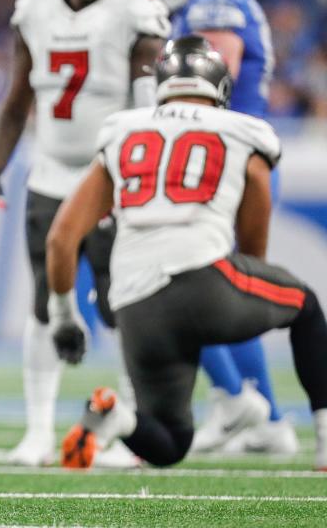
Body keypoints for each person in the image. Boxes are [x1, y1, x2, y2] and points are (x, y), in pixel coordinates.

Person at [49, 36, 327, 471]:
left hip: (135, 303)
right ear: (220, 87)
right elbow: (254, 236)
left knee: (170, 443)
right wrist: (245, 279)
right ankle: (326, 441)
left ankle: (116, 418)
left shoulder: (123, 129)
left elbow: (62, 237)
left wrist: (65, 316)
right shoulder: (244, 129)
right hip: (203, 277)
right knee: (307, 308)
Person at [0, 0, 169, 467]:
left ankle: (130, 430)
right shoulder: (33, 11)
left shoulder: (135, 13)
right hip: (50, 173)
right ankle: (38, 431)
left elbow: (146, 105)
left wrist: (139, 177)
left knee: (122, 304)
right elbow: (17, 101)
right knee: (42, 302)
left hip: (112, 177)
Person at [143, 0, 294, 455]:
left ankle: (236, 399)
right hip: (222, 157)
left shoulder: (215, 7)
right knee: (208, 288)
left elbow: (207, 78)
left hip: (224, 159)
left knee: (171, 279)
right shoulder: (186, 10)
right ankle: (266, 418)